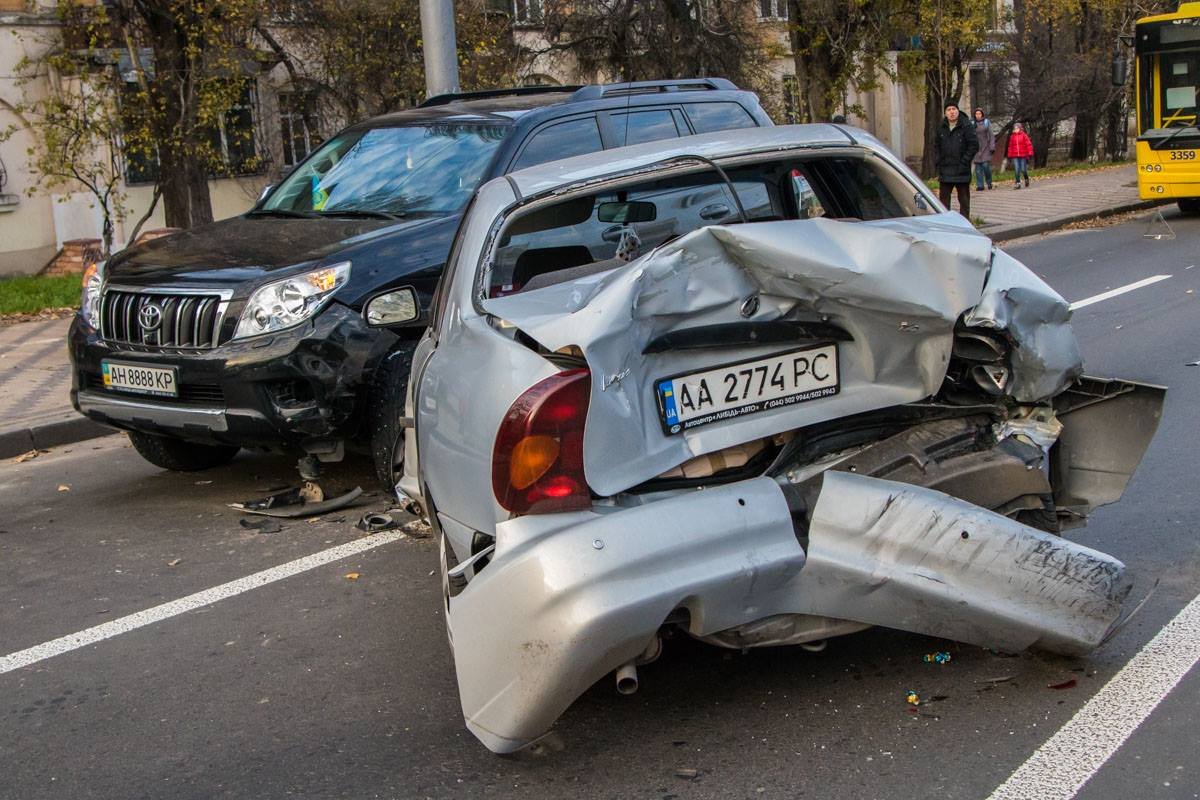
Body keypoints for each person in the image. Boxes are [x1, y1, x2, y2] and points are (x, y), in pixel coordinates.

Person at [933, 102, 979, 218]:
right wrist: (938, 161)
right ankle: (945, 223)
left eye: (954, 109)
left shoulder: (966, 125)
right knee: (943, 201)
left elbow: (974, 145)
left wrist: (965, 161)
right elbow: (936, 146)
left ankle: (965, 223)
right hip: (945, 169)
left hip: (961, 170)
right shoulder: (941, 127)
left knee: (963, 200)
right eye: (949, 110)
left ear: (958, 111)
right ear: (945, 113)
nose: (952, 112)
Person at [973, 108, 996, 190]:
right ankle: (980, 185)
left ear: (982, 114)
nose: (978, 115)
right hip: (976, 148)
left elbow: (991, 135)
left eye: (979, 114)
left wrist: (992, 146)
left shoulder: (986, 122)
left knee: (986, 165)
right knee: (978, 168)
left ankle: (989, 182)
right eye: (976, 114)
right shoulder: (972, 123)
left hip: (986, 147)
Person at [1006, 122, 1034, 189]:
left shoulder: (1024, 135)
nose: (1016, 129)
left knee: (1023, 169)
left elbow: (1028, 144)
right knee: (1016, 169)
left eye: (1017, 128)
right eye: (1015, 128)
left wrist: (1030, 153)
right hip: (1015, 155)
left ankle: (1026, 178)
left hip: (1023, 155)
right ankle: (1018, 183)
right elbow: (1010, 146)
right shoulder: (1012, 137)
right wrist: (1009, 155)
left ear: (1020, 128)